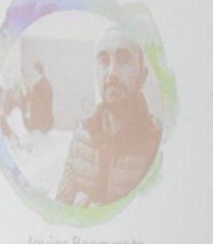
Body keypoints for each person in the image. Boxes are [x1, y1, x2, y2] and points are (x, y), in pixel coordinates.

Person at [57, 27, 161, 207]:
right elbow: (60, 208)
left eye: (124, 60)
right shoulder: (82, 135)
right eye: (104, 61)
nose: (112, 73)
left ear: (142, 77)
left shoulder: (157, 142)